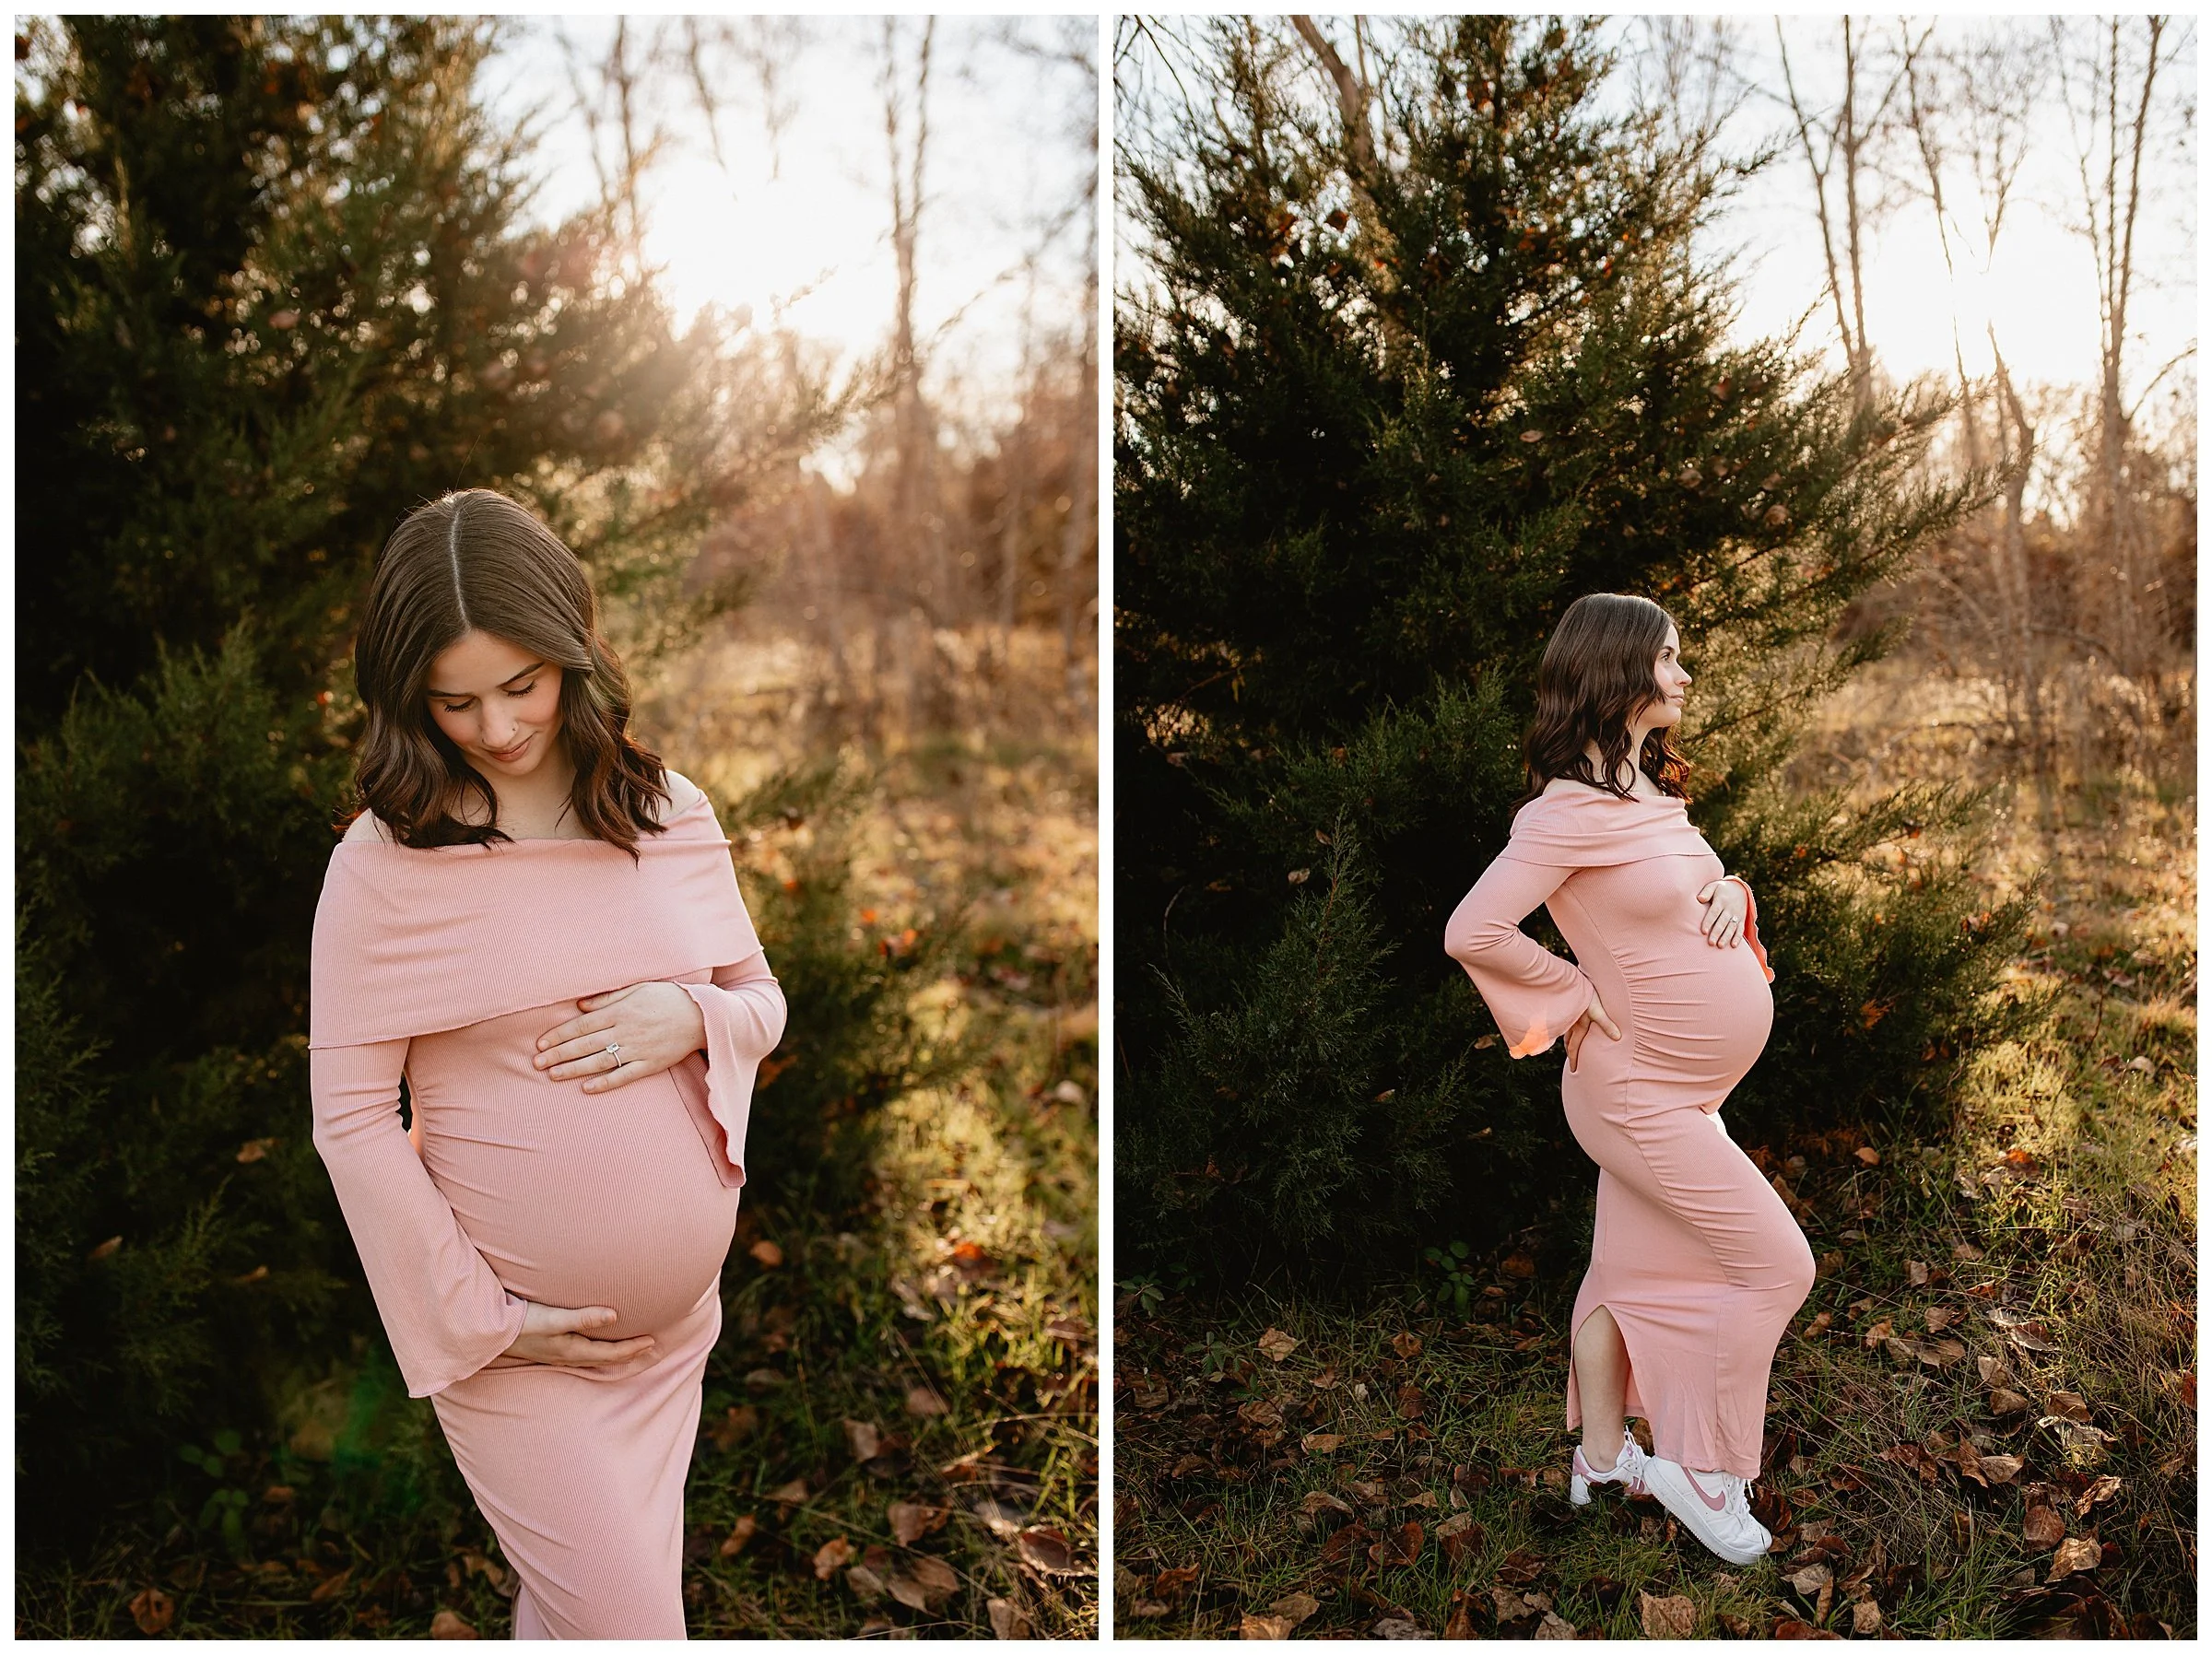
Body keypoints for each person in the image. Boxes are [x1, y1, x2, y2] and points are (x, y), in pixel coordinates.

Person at [308, 488, 787, 1636]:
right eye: (455, 699)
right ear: (408, 696)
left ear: (573, 649)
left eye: (521, 683)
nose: (498, 724)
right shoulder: (387, 865)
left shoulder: (666, 811)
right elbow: (353, 1118)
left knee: (582, 1620)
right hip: (517, 1350)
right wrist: (482, 1321)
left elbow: (758, 1001)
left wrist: (689, 1012)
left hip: (675, 1337)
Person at [1442, 592, 1813, 1567]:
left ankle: (1603, 1458)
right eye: (1671, 658)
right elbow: (1471, 928)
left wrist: (1732, 891)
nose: (1685, 675)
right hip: (1635, 1090)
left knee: (1625, 1270)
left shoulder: (1646, 793)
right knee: (1780, 1265)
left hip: (1683, 1087)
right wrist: (1567, 990)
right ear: (1619, 671)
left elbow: (1685, 889)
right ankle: (1699, 1466)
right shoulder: (1563, 813)